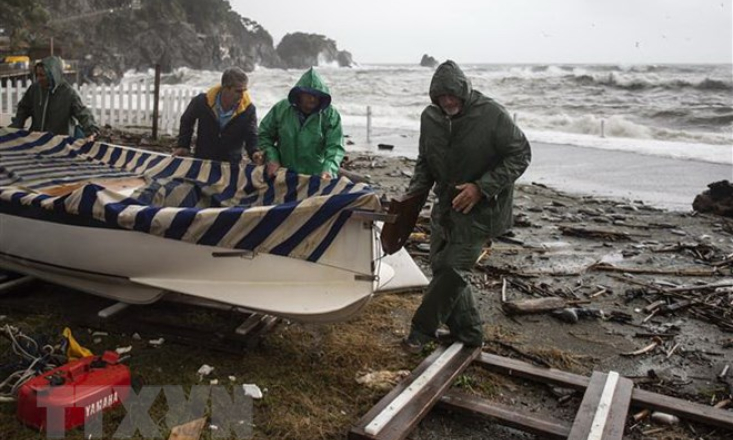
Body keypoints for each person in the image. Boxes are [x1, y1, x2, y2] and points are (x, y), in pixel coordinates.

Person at [401, 60, 532, 352]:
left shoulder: (492, 114)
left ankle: (420, 331)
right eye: (441, 96)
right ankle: (470, 333)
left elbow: (521, 154)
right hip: (445, 206)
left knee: (453, 269)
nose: (447, 101)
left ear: (464, 91)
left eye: (452, 95)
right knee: (441, 267)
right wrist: (411, 200)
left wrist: (481, 188)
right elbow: (425, 162)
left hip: (483, 209)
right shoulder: (430, 117)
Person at [259, 68, 344, 179]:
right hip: (283, 174)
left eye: (316, 95)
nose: (312, 98)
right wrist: (272, 157)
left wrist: (329, 169)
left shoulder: (330, 115)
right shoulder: (281, 109)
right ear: (299, 94)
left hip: (316, 176)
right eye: (308, 94)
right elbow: (263, 135)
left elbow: (335, 147)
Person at [172, 67, 261, 164]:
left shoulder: (249, 110)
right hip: (202, 161)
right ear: (225, 88)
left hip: (230, 165)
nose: (242, 95)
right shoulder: (202, 101)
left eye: (244, 90)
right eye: (238, 91)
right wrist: (183, 145)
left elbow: (252, 134)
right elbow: (187, 120)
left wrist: (254, 152)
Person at [10, 56, 99, 140]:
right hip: (36, 140)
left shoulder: (68, 93)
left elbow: (82, 113)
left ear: (53, 75)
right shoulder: (34, 89)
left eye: (42, 75)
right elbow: (23, 109)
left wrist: (91, 131)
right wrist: (17, 125)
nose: (39, 79)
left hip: (60, 143)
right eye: (37, 75)